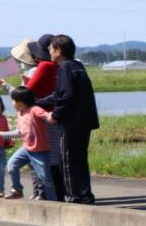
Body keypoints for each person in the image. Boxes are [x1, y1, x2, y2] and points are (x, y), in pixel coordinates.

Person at [0, 36, 62, 199]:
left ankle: (46, 196)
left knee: (44, 170)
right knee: (50, 164)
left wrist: (5, 85)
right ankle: (46, 195)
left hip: (40, 139)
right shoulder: (55, 68)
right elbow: (21, 130)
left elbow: (26, 96)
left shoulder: (41, 70)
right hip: (35, 139)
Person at [36, 35, 99, 204]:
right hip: (84, 122)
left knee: (68, 162)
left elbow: (66, 96)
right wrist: (38, 102)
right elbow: (60, 94)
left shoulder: (64, 67)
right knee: (80, 160)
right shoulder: (77, 65)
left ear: (58, 50)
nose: (49, 51)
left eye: (51, 48)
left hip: (71, 123)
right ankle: (85, 195)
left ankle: (74, 197)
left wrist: (55, 115)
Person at [0, 87, 56, 201]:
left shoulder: (34, 109)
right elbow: (20, 132)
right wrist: (2, 134)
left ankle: (53, 201)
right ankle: (17, 189)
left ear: (21, 101)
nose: (12, 103)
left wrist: (52, 116)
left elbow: (46, 116)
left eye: (14, 100)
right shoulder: (20, 113)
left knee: (45, 178)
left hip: (40, 151)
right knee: (12, 165)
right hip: (26, 149)